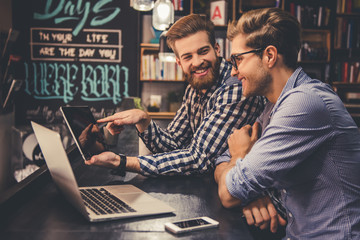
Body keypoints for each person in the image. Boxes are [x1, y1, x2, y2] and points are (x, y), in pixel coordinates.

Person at [215, 7, 360, 239]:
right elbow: (222, 159)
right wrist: (248, 186)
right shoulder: (273, 106)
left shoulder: (304, 104)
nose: (233, 72)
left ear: (269, 56)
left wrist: (237, 158)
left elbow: (230, 191)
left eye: (238, 59)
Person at [85, 14, 265, 177]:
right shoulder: (194, 89)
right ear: (179, 62)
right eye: (187, 57)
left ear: (217, 49)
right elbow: (174, 142)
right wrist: (143, 120)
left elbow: (198, 159)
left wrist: (121, 161)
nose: (197, 62)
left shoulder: (235, 88)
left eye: (203, 51)